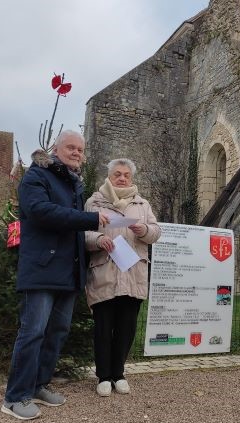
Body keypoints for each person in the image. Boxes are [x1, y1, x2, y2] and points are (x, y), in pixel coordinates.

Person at [2, 130, 109, 420]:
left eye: (80, 149)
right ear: (56, 149)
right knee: (33, 332)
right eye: (70, 148)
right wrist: (91, 219)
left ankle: (38, 385)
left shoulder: (74, 184)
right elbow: (40, 212)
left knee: (56, 332)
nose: (76, 153)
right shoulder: (37, 176)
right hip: (41, 268)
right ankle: (15, 397)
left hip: (68, 270)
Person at [84, 158, 160, 397]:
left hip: (133, 272)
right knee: (103, 328)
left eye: (126, 174)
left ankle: (119, 373)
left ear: (132, 177)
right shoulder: (94, 202)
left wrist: (144, 230)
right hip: (105, 271)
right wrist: (97, 240)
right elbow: (82, 233)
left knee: (126, 328)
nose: (122, 178)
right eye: (117, 174)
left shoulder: (142, 203)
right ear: (109, 175)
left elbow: (156, 232)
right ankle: (103, 376)